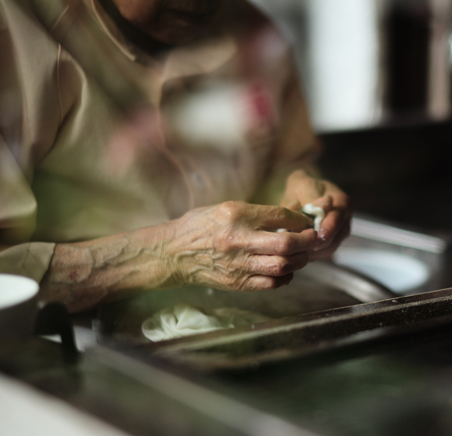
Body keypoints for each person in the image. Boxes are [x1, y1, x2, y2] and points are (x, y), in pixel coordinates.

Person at [0, 0, 351, 313]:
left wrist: (299, 193)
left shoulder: (247, 26)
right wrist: (170, 255)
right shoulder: (14, 33)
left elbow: (284, 164)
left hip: (237, 322)